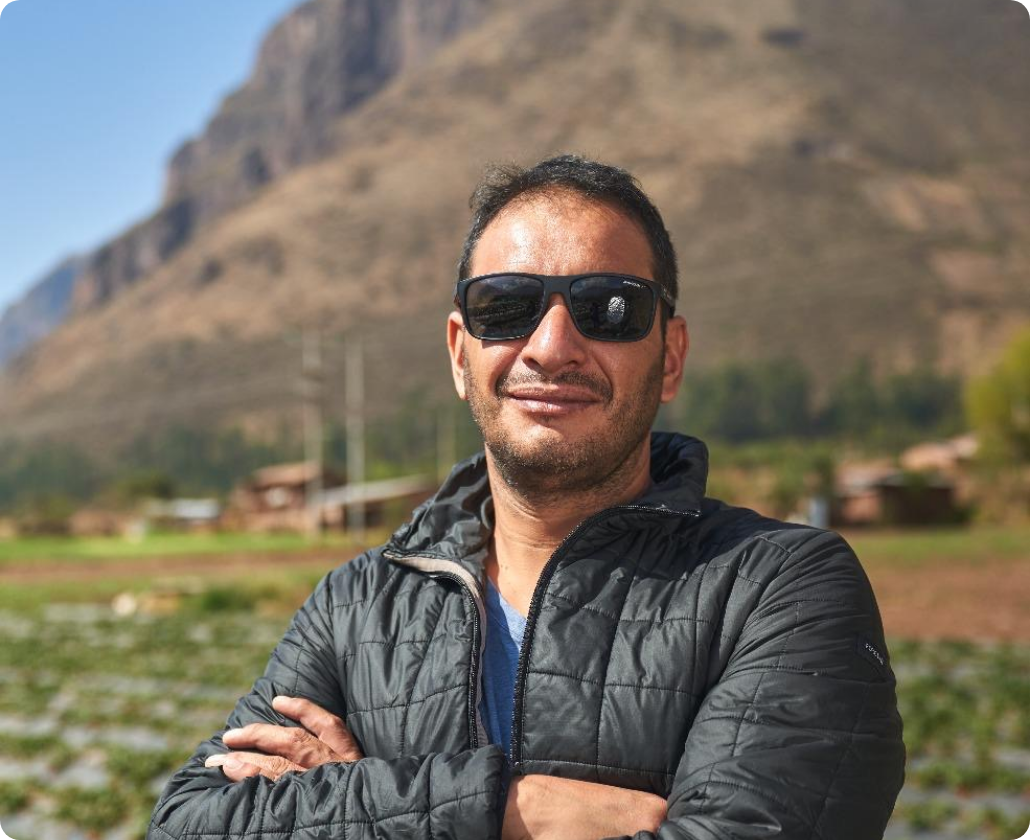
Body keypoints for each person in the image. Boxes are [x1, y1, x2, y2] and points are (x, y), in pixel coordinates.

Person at [148, 155, 905, 840]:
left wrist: (351, 799)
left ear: (669, 357)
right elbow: (190, 823)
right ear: (459, 352)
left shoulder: (779, 587)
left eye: (609, 306)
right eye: (506, 306)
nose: (551, 345)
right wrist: (514, 810)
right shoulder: (356, 607)